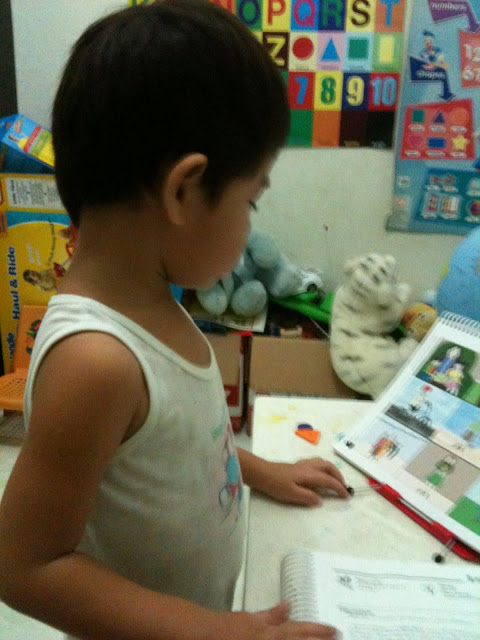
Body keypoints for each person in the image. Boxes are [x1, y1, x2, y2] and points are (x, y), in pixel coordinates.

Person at [0, 2, 348, 639]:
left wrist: (259, 471)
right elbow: (25, 565)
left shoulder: (155, 301)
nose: (250, 223)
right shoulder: (96, 363)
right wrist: (212, 631)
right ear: (184, 190)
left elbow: (183, 445)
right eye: (250, 201)